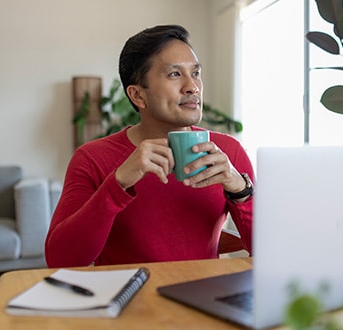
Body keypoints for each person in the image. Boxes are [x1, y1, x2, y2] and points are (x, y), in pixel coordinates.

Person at [45, 25, 254, 267]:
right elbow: (61, 259)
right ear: (137, 96)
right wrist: (118, 182)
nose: (192, 87)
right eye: (174, 74)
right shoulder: (92, 158)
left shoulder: (228, 152)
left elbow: (271, 251)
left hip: (202, 297)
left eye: (195, 73)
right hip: (127, 299)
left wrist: (240, 189)